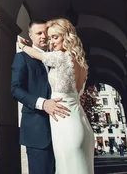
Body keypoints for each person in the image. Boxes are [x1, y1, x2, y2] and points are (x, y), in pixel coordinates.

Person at [18, 18, 95, 173]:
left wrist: (21, 45)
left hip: (65, 123)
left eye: (55, 37)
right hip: (80, 122)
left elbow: (34, 52)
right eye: (50, 37)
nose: (50, 42)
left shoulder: (60, 57)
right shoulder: (82, 63)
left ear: (66, 36)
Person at [11, 20, 70, 174]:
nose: (43, 36)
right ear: (30, 35)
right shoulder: (22, 57)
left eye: (46, 33)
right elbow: (15, 89)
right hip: (37, 131)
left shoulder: (57, 56)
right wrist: (43, 104)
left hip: (62, 129)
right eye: (38, 33)